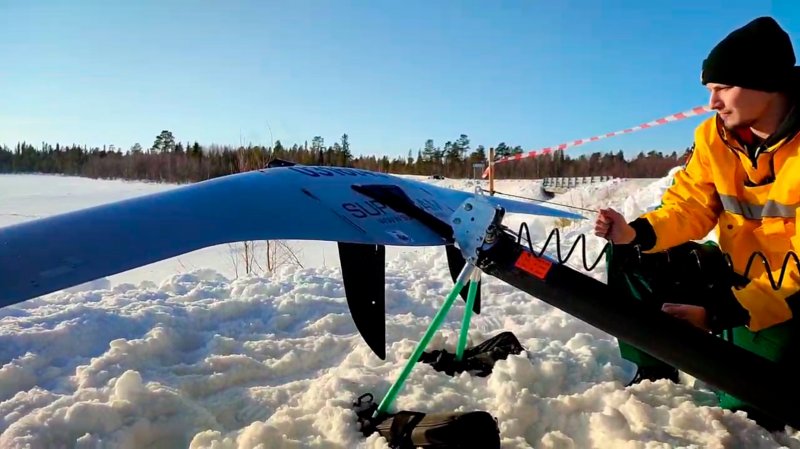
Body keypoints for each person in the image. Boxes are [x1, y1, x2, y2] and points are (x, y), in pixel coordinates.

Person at [594, 16, 800, 431]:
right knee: (634, 255)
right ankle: (653, 366)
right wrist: (638, 233)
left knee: (747, 408)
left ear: (767, 83)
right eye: (709, 90)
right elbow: (689, 204)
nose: (712, 102)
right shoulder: (714, 137)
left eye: (724, 88)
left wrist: (719, 313)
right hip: (733, 274)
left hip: (787, 296)